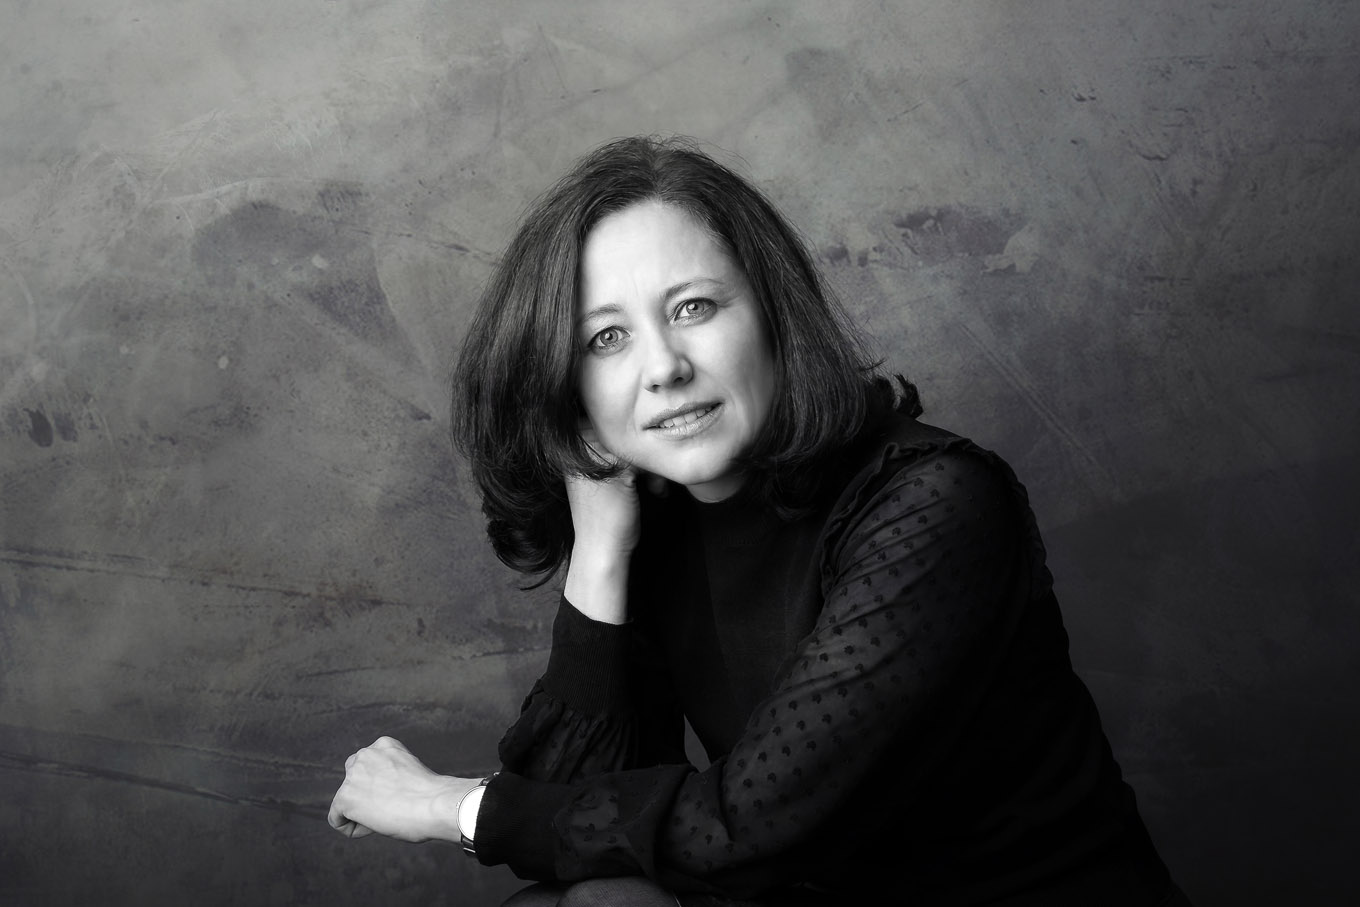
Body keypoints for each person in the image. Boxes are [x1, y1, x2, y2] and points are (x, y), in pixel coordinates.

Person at [328, 136, 1190, 906]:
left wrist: (450, 804)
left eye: (693, 308)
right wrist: (599, 553)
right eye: (606, 339)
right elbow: (574, 835)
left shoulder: (934, 505)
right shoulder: (655, 524)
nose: (663, 367)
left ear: (772, 316)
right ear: (568, 385)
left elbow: (746, 826)